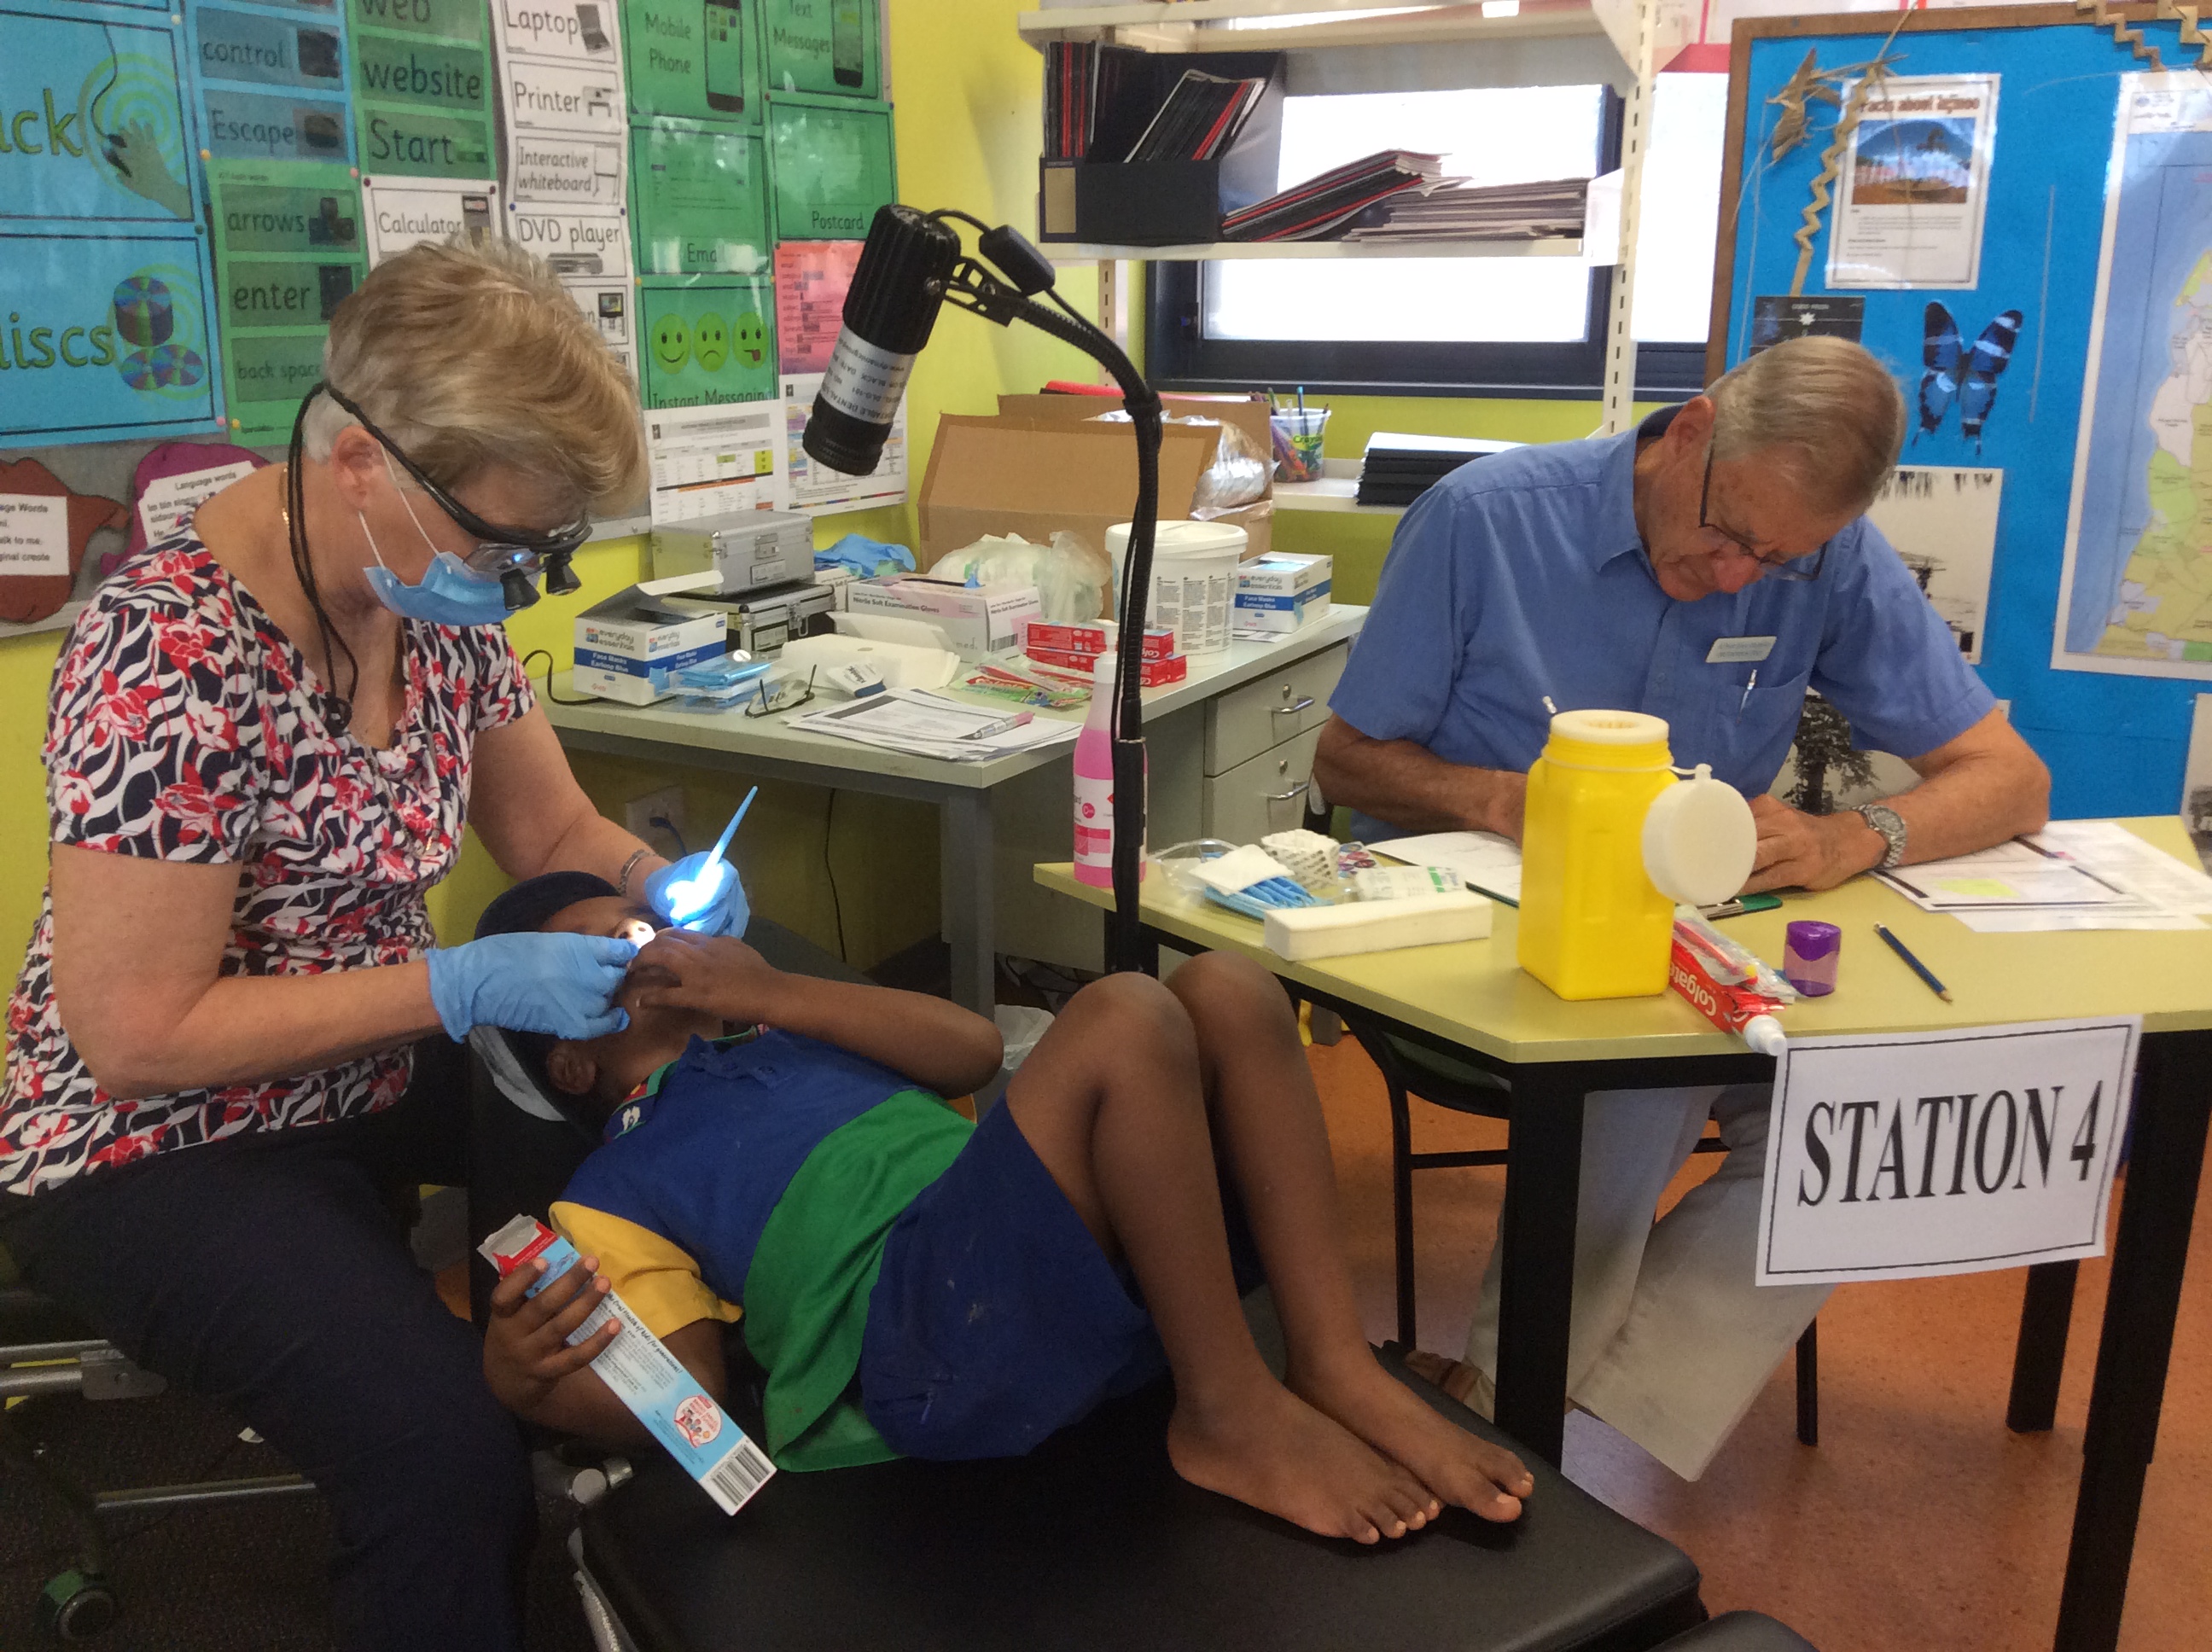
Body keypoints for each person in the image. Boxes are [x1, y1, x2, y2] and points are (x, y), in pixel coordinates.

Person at [0, 240, 742, 1651]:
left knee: (692, 1095)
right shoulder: (166, 659)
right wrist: (454, 984)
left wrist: (664, 875)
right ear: (359, 465)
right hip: (149, 1144)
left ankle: (643, 1463)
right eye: (504, 548)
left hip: (367, 1075)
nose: (521, 586)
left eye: (548, 553)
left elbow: (550, 831)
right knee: (439, 1448)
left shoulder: (430, 607)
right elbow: (133, 1031)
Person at [1313, 336, 2051, 1480]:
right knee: (1647, 1057)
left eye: (1779, 560)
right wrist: (1500, 797)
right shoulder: (1488, 520)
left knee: (1866, 1121)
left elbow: (2011, 777)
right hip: (1476, 919)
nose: (1737, 578)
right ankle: (1528, 1430)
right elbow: (1347, 764)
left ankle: (1545, 1410)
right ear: (1693, 430)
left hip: (1698, 930)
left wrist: (1853, 836)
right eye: (1731, 535)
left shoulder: (1824, 556)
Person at [475, 874, 1536, 1544]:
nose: (642, 934)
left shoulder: (782, 1028)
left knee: (1227, 987)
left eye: (644, 920)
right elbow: (688, 1391)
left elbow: (973, 1051)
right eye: (600, 945)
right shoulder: (609, 1188)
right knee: (1123, 1016)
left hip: (1056, 1276)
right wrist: (529, 1387)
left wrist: (772, 993)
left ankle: (1331, 1359)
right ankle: (1226, 1413)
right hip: (932, 1346)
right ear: (568, 1058)